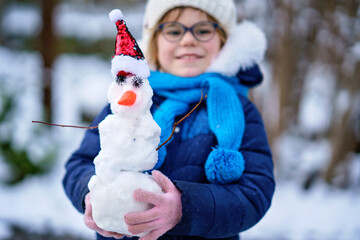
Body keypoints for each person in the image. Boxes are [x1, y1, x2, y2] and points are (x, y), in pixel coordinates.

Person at [62, 0, 275, 240]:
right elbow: (80, 164)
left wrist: (185, 208)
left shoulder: (243, 111)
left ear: (223, 42)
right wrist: (89, 195)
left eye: (203, 30)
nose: (188, 40)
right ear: (154, 42)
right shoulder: (130, 100)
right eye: (173, 31)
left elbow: (254, 193)